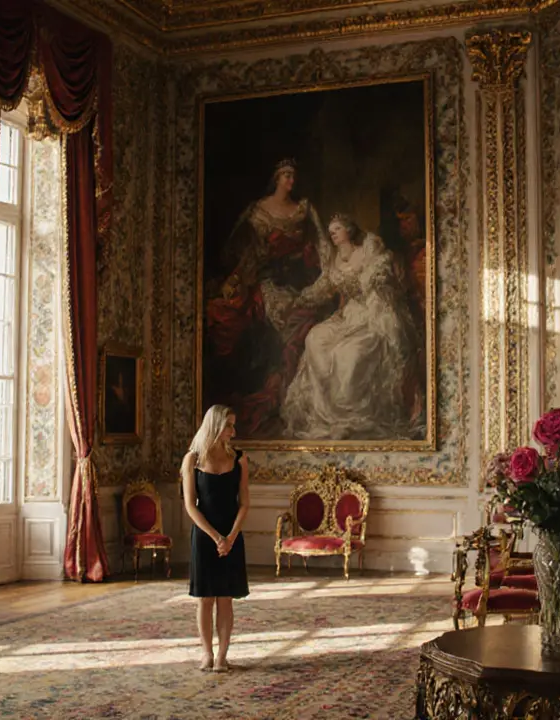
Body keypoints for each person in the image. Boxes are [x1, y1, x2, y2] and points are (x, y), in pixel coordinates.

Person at [203, 159, 331, 437]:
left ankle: (292, 395)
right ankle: (271, 390)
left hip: (300, 281)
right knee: (244, 316)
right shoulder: (259, 211)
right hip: (269, 281)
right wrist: (241, 276)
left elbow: (323, 245)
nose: (291, 181)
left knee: (306, 323)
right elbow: (244, 250)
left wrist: (328, 274)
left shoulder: (304, 209)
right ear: (276, 178)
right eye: (286, 175)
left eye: (293, 176)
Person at [280, 213, 421, 440]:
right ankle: (327, 413)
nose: (332, 233)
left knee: (349, 353)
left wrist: (376, 278)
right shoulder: (335, 259)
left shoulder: (369, 248)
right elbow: (324, 286)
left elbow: (382, 272)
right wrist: (299, 299)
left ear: (349, 229)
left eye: (337, 229)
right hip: (348, 315)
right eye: (330, 231)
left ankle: (351, 415)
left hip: (372, 314)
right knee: (315, 338)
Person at [180, 404, 250, 672]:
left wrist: (230, 537)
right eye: (229, 425)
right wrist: (215, 537)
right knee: (205, 598)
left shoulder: (240, 459)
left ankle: (222, 656)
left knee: (225, 598)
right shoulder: (192, 460)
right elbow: (190, 506)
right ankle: (206, 654)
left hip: (232, 535)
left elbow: (244, 503)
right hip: (204, 536)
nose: (234, 431)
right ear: (216, 425)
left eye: (233, 425)